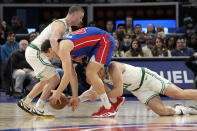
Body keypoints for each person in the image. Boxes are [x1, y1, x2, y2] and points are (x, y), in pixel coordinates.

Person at [17, 5, 85, 117]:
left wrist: (72, 59)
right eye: (80, 17)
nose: (81, 20)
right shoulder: (60, 24)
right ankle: (39, 107)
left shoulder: (68, 29)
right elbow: (53, 41)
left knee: (45, 81)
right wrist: (65, 59)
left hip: (37, 53)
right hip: (37, 52)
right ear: (73, 14)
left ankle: (26, 102)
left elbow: (64, 54)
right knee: (55, 78)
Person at [41, 27, 116, 117]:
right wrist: (75, 97)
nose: (51, 58)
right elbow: (72, 75)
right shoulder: (63, 48)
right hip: (95, 45)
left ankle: (108, 108)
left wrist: (58, 92)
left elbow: (67, 75)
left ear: (50, 49)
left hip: (103, 40)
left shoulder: (62, 48)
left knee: (91, 73)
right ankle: (115, 101)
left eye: (49, 55)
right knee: (90, 78)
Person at [79, 61, 197, 116]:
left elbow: (119, 92)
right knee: (162, 112)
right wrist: (78, 99)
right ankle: (182, 110)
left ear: (101, 67)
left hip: (147, 79)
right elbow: (90, 92)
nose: (97, 75)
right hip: (139, 90)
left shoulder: (113, 67)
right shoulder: (95, 77)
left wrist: (100, 95)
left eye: (97, 71)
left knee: (178, 94)